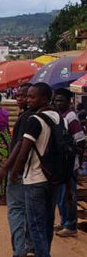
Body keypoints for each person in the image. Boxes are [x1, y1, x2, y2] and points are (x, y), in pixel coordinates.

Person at [10, 83, 58, 257]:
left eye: (32, 97)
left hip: (35, 178)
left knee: (36, 226)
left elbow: (24, 149)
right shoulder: (58, 118)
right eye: (27, 96)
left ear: (45, 99)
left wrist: (14, 172)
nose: (28, 100)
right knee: (47, 225)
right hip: (53, 179)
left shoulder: (35, 120)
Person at [0, 83, 34, 257]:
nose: (20, 99)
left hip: (21, 171)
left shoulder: (27, 117)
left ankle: (19, 251)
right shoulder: (40, 116)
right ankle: (31, 246)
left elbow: (19, 145)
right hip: (35, 173)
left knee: (16, 210)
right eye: (18, 96)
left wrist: (8, 169)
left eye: (25, 96)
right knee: (30, 210)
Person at [52, 88, 85, 238]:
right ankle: (64, 221)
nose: (58, 103)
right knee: (61, 195)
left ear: (69, 101)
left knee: (68, 194)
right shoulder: (60, 116)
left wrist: (78, 160)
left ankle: (71, 225)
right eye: (56, 100)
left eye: (61, 101)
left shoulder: (71, 117)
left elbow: (80, 139)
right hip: (60, 163)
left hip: (70, 163)